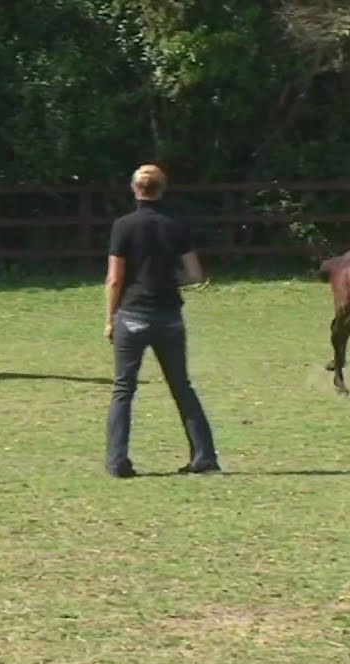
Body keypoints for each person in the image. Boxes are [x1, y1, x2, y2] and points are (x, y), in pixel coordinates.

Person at [103, 163, 220, 478]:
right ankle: (204, 455)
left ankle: (117, 461)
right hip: (169, 317)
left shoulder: (123, 226)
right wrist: (168, 282)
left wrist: (110, 319)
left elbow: (115, 279)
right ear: (162, 188)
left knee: (123, 389)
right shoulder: (177, 225)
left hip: (132, 315)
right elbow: (195, 274)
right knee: (182, 386)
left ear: (135, 188)